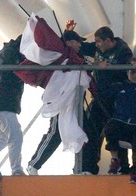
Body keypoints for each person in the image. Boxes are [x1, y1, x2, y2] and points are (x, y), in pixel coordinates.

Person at [26, 27, 90, 175]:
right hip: (60, 101)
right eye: (77, 42)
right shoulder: (60, 57)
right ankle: (34, 164)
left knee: (85, 132)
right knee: (55, 133)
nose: (80, 45)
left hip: (75, 102)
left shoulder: (77, 58)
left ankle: (81, 168)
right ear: (68, 43)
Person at [81, 26, 133, 175]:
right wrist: (67, 32)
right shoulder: (97, 48)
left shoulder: (123, 51)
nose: (96, 44)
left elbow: (124, 70)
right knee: (91, 131)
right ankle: (88, 168)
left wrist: (108, 67)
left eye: (98, 41)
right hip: (100, 96)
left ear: (108, 40)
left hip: (116, 98)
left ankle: (124, 167)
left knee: (116, 131)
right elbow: (80, 46)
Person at [0, 36, 26, 175]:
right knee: (15, 136)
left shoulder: (8, 52)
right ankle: (16, 170)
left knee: (2, 138)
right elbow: (7, 76)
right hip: (3, 104)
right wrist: (25, 73)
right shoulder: (10, 54)